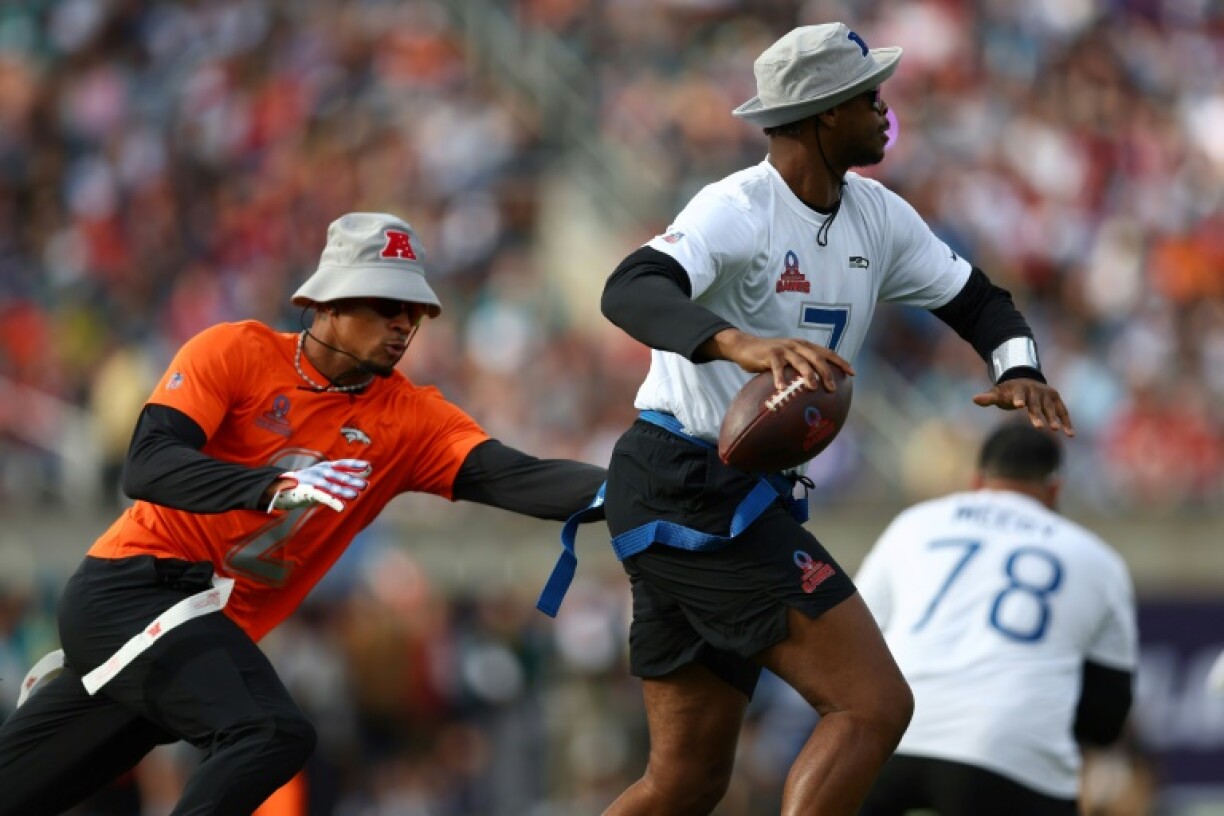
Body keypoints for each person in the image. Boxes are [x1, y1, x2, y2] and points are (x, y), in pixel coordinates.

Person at [596, 22, 1076, 816]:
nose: (886, 112)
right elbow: (630, 287)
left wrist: (1017, 367)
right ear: (823, 115)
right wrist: (737, 344)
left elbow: (980, 302)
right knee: (873, 706)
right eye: (868, 98)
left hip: (704, 490)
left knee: (685, 782)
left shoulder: (877, 215)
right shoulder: (738, 207)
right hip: (691, 482)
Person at [0, 212, 607, 815]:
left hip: (194, 630)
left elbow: (521, 478)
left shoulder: (411, 419)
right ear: (329, 301)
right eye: (386, 304)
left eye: (415, 311)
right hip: (134, 591)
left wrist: (652, 492)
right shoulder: (236, 352)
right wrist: (274, 487)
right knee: (271, 733)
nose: (404, 324)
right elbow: (148, 465)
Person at [855, 423, 1137, 816]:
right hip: (1010, 752)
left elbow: (853, 639)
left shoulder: (914, 524)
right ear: (1055, 489)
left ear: (976, 480)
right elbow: (1107, 717)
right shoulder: (1098, 559)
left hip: (890, 735)